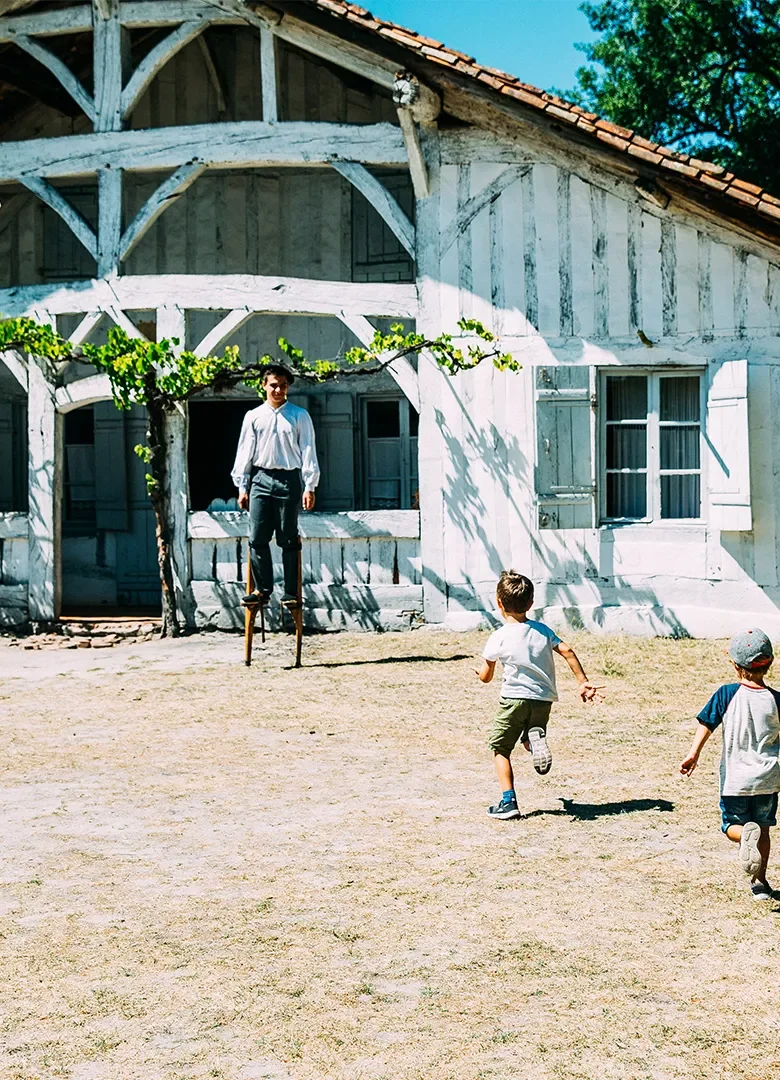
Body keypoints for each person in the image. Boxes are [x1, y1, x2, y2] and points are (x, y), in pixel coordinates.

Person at [474, 570, 604, 820]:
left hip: (513, 699)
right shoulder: (543, 631)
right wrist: (582, 682)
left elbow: (486, 676)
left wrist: (478, 673)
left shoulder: (498, 637)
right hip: (543, 700)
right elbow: (567, 650)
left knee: (500, 749)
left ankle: (508, 802)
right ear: (531, 604)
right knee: (530, 734)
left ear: (499, 603)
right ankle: (533, 742)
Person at [680, 628, 780, 901]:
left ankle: (741, 836)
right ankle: (760, 884)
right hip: (768, 778)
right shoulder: (776, 699)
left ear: (735, 665)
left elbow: (706, 724)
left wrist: (693, 754)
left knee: (731, 825)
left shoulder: (726, 694)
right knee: (764, 830)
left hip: (736, 779)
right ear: (769, 663)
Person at [231, 365, 319, 608]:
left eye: (283, 385)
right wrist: (242, 486)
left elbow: (308, 449)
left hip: (288, 479)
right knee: (257, 536)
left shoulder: (299, 415)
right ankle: (262, 590)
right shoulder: (254, 416)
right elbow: (245, 452)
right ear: (264, 385)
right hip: (260, 479)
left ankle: (290, 593)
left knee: (287, 537)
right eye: (274, 385)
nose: (278, 389)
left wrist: (309, 485)